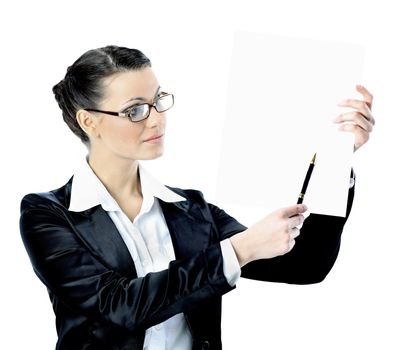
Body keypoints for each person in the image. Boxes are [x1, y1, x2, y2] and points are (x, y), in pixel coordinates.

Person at [19, 45, 375, 350]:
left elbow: (303, 266)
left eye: (158, 101)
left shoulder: (190, 210)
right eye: (136, 110)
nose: (157, 120)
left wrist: (335, 161)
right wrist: (238, 250)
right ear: (89, 121)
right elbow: (120, 305)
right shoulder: (48, 213)